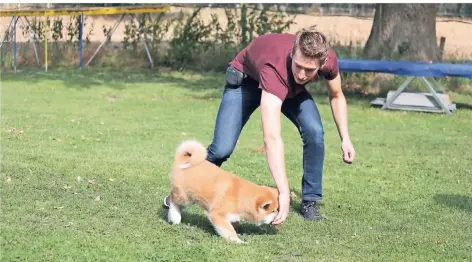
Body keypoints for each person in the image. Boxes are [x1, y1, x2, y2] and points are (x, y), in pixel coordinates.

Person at [163, 25, 356, 225]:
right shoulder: (275, 67)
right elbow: (272, 138)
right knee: (221, 149)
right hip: (246, 81)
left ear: (322, 63)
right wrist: (283, 192)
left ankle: (311, 201)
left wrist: (346, 138)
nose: (301, 74)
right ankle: (182, 188)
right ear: (292, 53)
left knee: (315, 131)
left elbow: (337, 95)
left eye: (309, 70)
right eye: (298, 66)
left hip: (288, 88)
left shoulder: (327, 60)